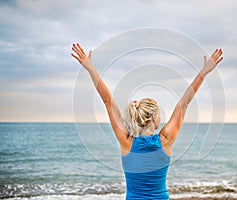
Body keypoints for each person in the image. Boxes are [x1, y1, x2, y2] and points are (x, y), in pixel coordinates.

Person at [71, 43, 223, 200]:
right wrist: (204, 72)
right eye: (158, 114)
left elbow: (107, 101)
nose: (160, 118)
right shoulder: (165, 140)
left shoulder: (126, 142)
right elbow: (184, 104)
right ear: (152, 118)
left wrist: (90, 69)